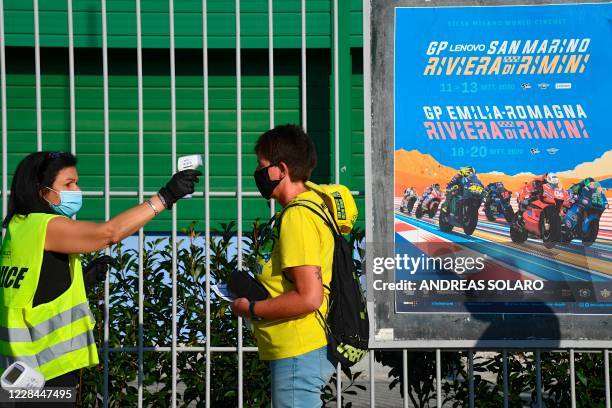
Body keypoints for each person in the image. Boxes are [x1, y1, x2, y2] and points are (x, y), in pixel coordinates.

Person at [0, 151, 200, 406]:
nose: (77, 189)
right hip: (46, 372)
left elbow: (30, 290)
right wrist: (164, 198)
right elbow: (109, 233)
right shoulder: (45, 226)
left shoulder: (19, 227)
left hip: (19, 367)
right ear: (42, 191)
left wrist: (79, 281)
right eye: (68, 183)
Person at [230, 125, 336, 408]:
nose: (257, 174)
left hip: (298, 348)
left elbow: (309, 296)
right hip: (295, 347)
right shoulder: (305, 208)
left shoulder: (298, 217)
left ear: (282, 169)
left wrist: (250, 309)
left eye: (262, 167)